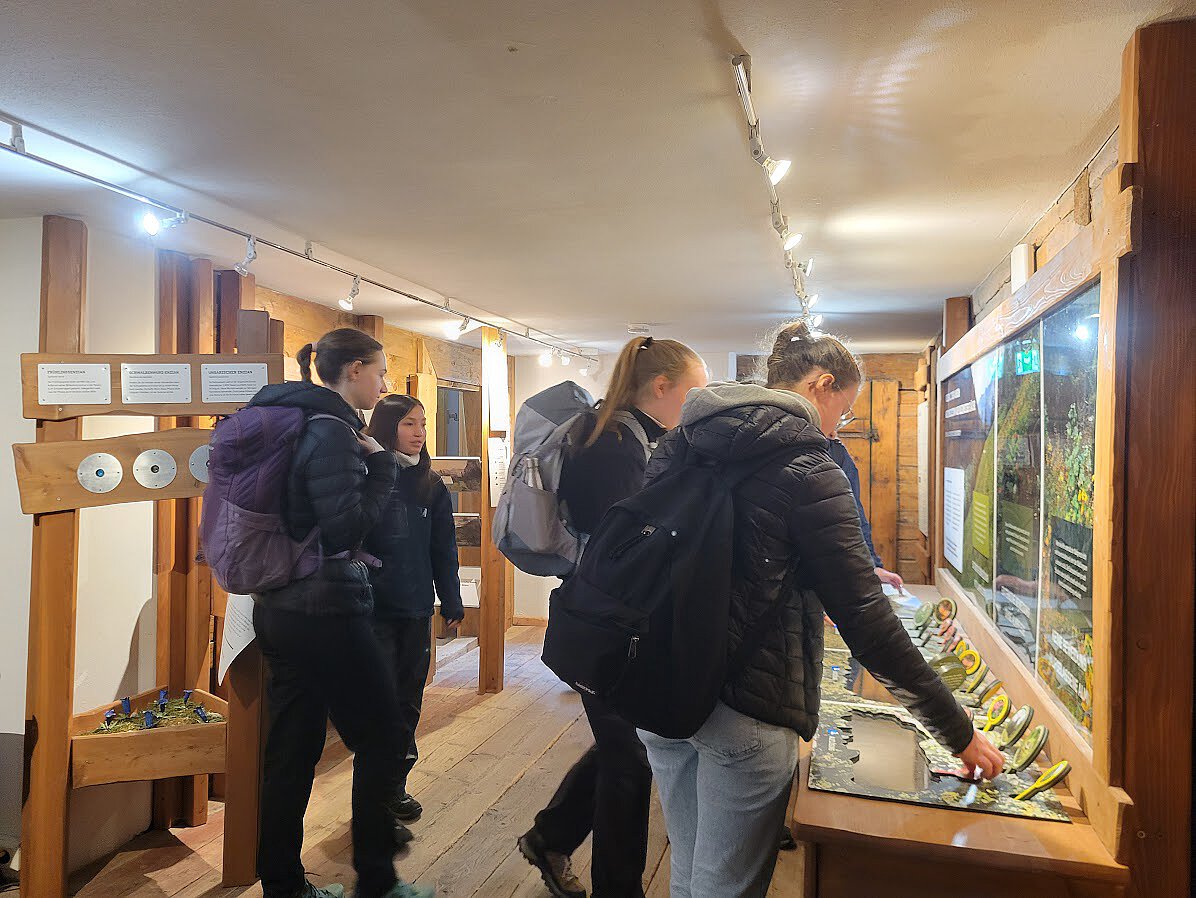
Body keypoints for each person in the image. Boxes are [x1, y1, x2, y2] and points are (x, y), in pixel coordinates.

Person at [637, 321, 1003, 898]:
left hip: (660, 684)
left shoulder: (679, 444)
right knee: (724, 887)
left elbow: (722, 561)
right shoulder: (810, 467)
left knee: (687, 870)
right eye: (844, 410)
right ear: (820, 385)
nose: (838, 426)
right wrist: (957, 733)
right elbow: (869, 625)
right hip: (746, 706)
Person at [519, 337, 709, 898]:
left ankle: (550, 837)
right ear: (661, 387)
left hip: (611, 621)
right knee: (630, 757)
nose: (696, 405)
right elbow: (628, 548)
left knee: (625, 747)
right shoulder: (613, 446)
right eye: (693, 392)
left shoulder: (630, 438)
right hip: (605, 626)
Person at [250, 328, 434, 898]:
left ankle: (283, 886)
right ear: (353, 370)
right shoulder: (332, 431)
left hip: (277, 603)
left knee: (291, 750)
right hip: (325, 608)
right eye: (379, 372)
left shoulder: (286, 417)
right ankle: (377, 882)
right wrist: (382, 469)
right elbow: (345, 529)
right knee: (384, 739)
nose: (383, 383)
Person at [364, 395, 466, 832]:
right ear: (388, 426)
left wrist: (452, 601)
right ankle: (374, 799)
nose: (419, 432)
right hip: (371, 609)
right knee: (378, 703)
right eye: (408, 423)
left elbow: (443, 548)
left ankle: (394, 787)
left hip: (415, 607)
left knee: (408, 700)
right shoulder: (366, 475)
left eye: (422, 423)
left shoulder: (431, 484)